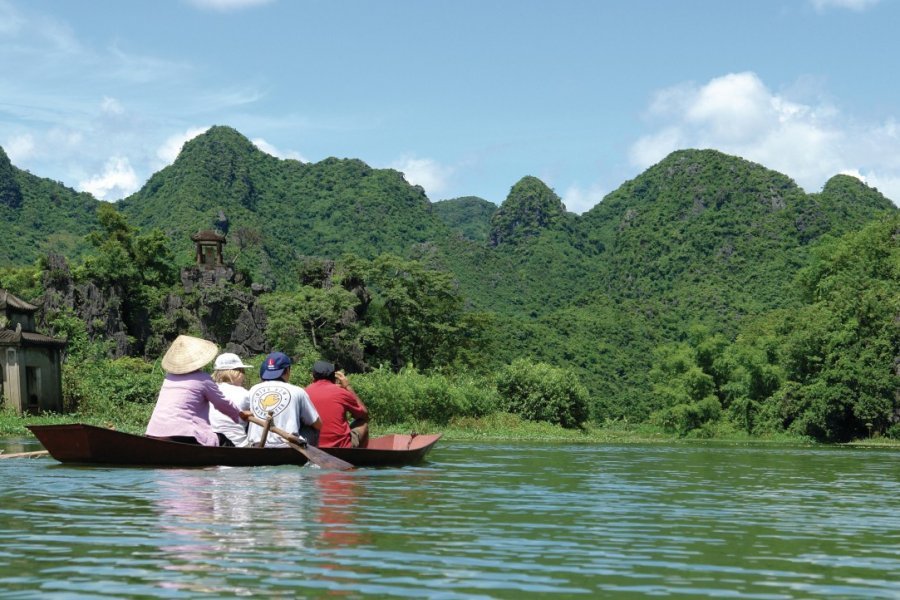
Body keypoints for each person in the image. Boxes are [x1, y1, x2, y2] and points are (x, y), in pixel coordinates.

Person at [146, 335, 250, 446]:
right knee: (225, 441)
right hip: (184, 434)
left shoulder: (169, 378)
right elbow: (222, 404)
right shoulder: (203, 379)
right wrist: (238, 415)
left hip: (154, 432)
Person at [246, 352, 322, 448]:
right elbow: (318, 424)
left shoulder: (253, 389)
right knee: (312, 427)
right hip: (287, 446)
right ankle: (307, 459)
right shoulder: (297, 391)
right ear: (287, 370)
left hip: (257, 445)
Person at [305, 360, 369, 448]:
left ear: (313, 377)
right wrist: (347, 386)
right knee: (363, 423)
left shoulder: (304, 393)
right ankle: (358, 460)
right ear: (334, 377)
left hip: (312, 449)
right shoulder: (341, 392)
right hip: (340, 448)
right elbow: (364, 415)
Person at [209, 352, 254, 447]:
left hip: (212, 444)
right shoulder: (245, 393)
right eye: (242, 371)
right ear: (237, 373)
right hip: (238, 445)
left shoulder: (208, 391)